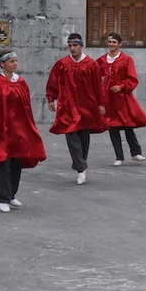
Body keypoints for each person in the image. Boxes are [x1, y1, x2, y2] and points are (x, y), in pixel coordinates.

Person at [0, 50, 48, 213]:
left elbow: (27, 108)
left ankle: (11, 195)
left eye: (16, 61)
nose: (15, 64)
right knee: (3, 163)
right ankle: (3, 198)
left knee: (16, 163)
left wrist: (30, 127)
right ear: (2, 64)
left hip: (19, 129)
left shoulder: (21, 82)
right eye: (11, 61)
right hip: (1, 129)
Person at [46, 33, 107, 184]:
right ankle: (81, 168)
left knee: (83, 137)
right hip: (67, 106)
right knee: (71, 134)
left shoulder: (91, 64)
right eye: (70, 45)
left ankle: (80, 164)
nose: (72, 48)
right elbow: (53, 82)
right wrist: (51, 98)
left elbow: (98, 86)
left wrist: (101, 104)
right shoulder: (62, 64)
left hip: (87, 105)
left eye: (75, 45)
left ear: (81, 46)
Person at [98, 33, 146, 166]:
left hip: (122, 98)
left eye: (114, 42)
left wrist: (121, 86)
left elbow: (132, 79)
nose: (111, 44)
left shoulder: (126, 60)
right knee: (112, 127)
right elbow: (94, 78)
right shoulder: (100, 61)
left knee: (128, 125)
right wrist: (100, 81)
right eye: (109, 42)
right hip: (108, 99)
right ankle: (119, 156)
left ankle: (135, 152)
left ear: (120, 44)